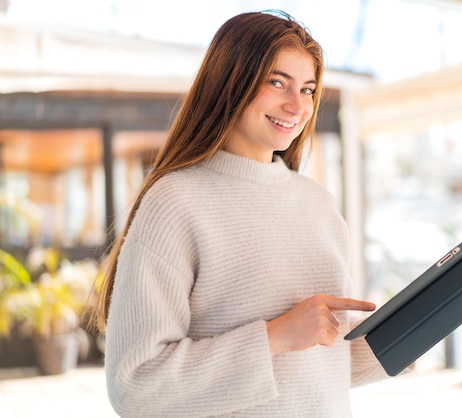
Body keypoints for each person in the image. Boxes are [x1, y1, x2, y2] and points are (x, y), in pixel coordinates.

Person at [90, 10, 388, 417]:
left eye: (308, 89)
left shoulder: (318, 204)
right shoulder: (175, 201)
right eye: (277, 82)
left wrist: (424, 321)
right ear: (230, 81)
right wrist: (274, 336)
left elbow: (321, 366)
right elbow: (135, 385)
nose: (296, 105)